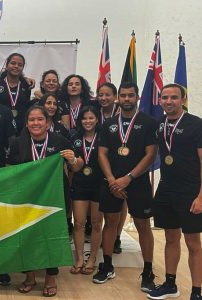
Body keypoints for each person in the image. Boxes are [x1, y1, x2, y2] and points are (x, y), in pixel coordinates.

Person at [7, 105, 83, 297]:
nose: (36, 123)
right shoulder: (17, 142)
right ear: (26, 123)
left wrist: (73, 160)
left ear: (47, 122)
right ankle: (30, 276)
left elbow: (78, 166)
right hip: (27, 197)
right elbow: (10, 170)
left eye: (40, 119)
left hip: (54, 197)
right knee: (28, 236)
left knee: (51, 236)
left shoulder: (60, 141)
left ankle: (50, 277)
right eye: (31, 120)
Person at [94, 81, 157, 293]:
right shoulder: (108, 124)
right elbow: (101, 153)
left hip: (137, 182)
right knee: (110, 222)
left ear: (137, 97)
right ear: (118, 98)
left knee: (143, 226)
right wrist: (112, 179)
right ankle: (108, 265)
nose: (127, 99)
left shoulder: (148, 122)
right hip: (111, 183)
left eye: (131, 95)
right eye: (123, 95)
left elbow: (151, 154)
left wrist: (128, 178)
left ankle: (148, 271)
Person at [148, 84, 202, 300]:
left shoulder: (196, 124)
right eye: (164, 97)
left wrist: (201, 195)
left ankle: (197, 291)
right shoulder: (160, 124)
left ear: (183, 99)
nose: (168, 101)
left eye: (173, 97)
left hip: (190, 191)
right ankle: (170, 284)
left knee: (192, 242)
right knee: (171, 237)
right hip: (166, 188)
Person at [69, 106, 104, 276]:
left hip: (99, 185)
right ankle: (79, 259)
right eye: (84, 118)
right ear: (80, 120)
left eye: (91, 118)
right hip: (80, 184)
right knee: (79, 223)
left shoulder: (104, 137)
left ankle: (92, 259)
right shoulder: (75, 138)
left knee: (97, 224)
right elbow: (73, 166)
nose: (88, 121)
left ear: (97, 119)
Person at [96, 82, 125, 254]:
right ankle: (100, 233)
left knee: (121, 200)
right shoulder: (93, 110)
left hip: (119, 162)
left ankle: (117, 236)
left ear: (115, 97)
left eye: (108, 95)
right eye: (101, 94)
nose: (104, 98)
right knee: (101, 200)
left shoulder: (124, 115)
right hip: (97, 160)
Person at [0, 53, 33, 134]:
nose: (16, 66)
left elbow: (26, 105)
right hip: (1, 125)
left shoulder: (26, 85)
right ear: (7, 65)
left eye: (20, 65)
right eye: (13, 63)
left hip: (21, 128)